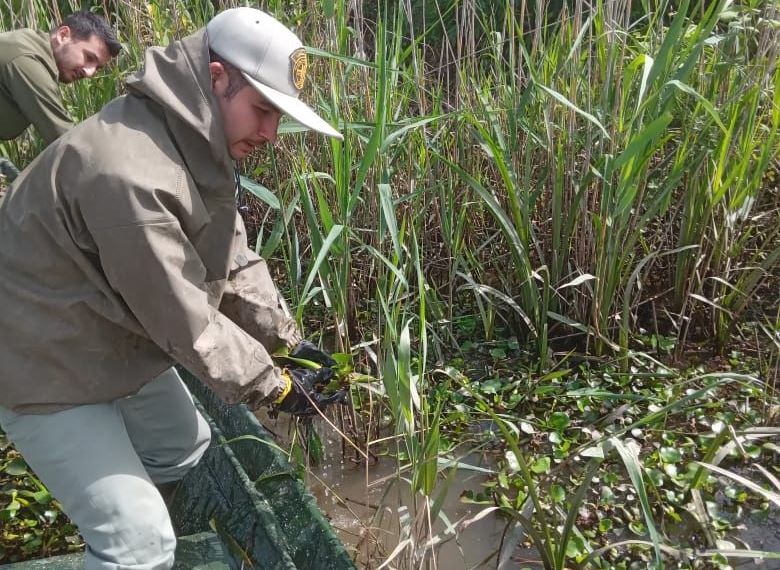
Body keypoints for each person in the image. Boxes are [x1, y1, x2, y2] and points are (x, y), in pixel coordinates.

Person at [0, 7, 343, 569]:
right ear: (216, 78)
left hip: (97, 320)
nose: (270, 134)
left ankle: (127, 511)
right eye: (263, 111)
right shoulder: (129, 173)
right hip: (36, 352)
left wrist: (288, 342)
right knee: (139, 545)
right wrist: (273, 386)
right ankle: (124, 543)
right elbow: (181, 314)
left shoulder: (193, 141)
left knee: (183, 446)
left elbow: (230, 256)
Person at [0, 10, 121, 148]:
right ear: (63, 35)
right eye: (89, 57)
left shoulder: (30, 44)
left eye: (97, 68)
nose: (89, 72)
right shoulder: (27, 61)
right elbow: (67, 141)